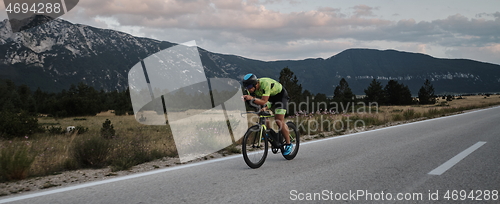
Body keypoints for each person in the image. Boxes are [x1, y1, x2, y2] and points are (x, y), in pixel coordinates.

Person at [242, 73, 293, 155]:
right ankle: (270, 133)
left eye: (249, 87)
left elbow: (264, 101)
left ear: (255, 84)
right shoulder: (250, 89)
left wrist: (251, 98)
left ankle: (288, 144)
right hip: (270, 98)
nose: (248, 89)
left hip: (280, 97)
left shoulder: (264, 83)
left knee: (278, 120)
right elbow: (255, 103)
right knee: (262, 114)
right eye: (246, 87)